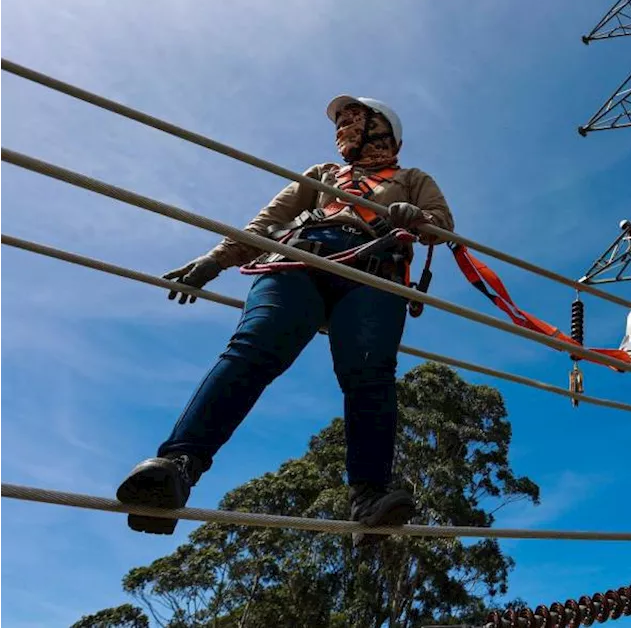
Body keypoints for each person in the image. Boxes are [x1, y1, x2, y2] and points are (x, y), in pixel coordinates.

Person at [116, 95, 454, 547]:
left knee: (370, 373)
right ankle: (177, 468)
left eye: (355, 121)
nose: (343, 130)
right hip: (297, 261)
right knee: (252, 350)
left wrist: (419, 218)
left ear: (384, 132)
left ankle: (370, 495)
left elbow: (442, 226)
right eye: (341, 123)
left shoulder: (413, 179)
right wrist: (216, 260)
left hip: (373, 270)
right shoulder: (320, 176)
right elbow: (268, 221)